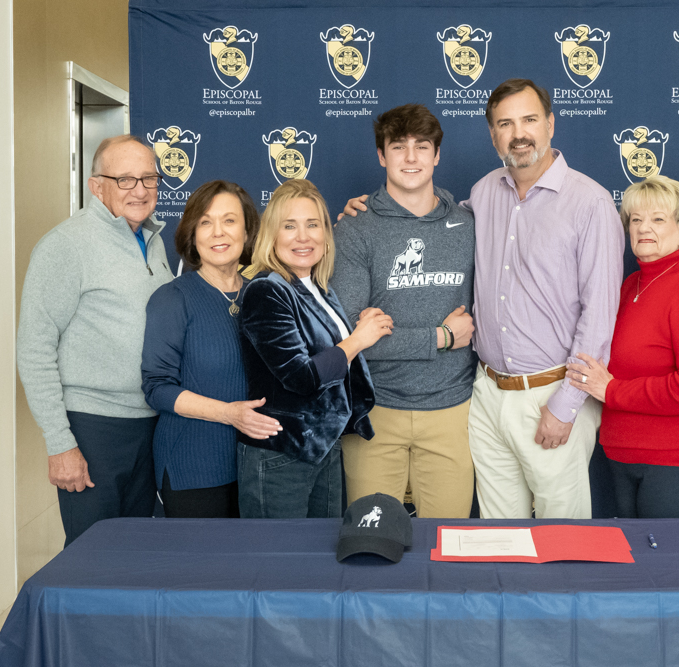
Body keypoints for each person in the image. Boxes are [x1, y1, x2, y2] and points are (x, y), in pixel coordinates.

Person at [342, 80, 624, 519]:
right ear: (492, 135)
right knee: (497, 533)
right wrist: (364, 209)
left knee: (562, 533)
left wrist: (567, 404)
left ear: (550, 124)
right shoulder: (485, 193)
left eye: (529, 120)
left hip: (550, 392)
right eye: (505, 124)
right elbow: (424, 214)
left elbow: (599, 316)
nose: (519, 133)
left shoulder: (590, 203)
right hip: (486, 395)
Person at [17, 135, 174, 546]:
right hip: (93, 429)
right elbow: (34, 349)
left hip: (149, 424)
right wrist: (60, 443)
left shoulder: (154, 241)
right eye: (125, 179)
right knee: (91, 556)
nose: (140, 190)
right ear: (96, 186)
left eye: (149, 178)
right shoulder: (66, 245)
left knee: (136, 552)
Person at [331, 104, 476, 518]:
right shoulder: (355, 227)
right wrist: (440, 338)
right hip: (374, 411)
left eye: (422, 146)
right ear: (381, 155)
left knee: (447, 542)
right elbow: (353, 340)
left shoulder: (469, 225)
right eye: (398, 147)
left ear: (437, 155)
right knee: (372, 541)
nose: (411, 158)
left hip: (452, 410)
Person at [566, 176, 679, 518]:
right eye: (636, 219)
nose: (643, 228)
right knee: (630, 551)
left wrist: (613, 391)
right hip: (622, 452)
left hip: (677, 457)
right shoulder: (629, 285)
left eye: (658, 219)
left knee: (667, 551)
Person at [238, 179, 391, 519]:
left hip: (323, 447)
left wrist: (357, 328)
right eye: (289, 226)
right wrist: (358, 339)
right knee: (280, 552)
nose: (303, 237)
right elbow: (301, 377)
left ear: (326, 233)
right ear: (271, 234)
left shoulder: (319, 288)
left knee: (323, 550)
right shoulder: (266, 290)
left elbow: (331, 353)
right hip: (282, 453)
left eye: (312, 224)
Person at [141, 180, 281, 518]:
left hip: (259, 465)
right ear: (192, 235)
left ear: (247, 231)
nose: (218, 232)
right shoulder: (173, 298)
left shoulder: (264, 296)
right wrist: (229, 414)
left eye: (229, 220)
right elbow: (157, 388)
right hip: (194, 467)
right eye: (205, 222)